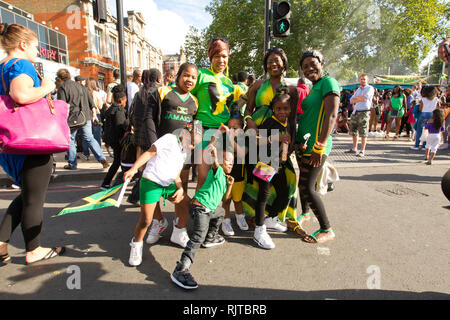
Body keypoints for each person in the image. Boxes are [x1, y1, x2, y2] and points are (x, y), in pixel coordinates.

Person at [0, 23, 65, 265]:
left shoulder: (1, 67)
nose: (37, 51)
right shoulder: (21, 64)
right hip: (32, 141)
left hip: (11, 140)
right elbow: (21, 95)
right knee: (34, 199)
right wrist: (47, 86)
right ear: (23, 44)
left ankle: (1, 242)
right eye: (36, 46)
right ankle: (34, 249)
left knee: (27, 195)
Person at [123, 123, 201, 267]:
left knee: (188, 204)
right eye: (192, 142)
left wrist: (180, 188)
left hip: (169, 184)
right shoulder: (169, 138)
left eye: (195, 145)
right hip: (151, 182)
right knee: (145, 220)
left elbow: (176, 173)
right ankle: (136, 244)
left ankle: (178, 232)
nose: (192, 147)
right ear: (184, 134)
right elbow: (149, 152)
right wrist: (133, 169)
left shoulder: (184, 152)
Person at [144, 63, 199, 248]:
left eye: (193, 77)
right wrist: (154, 146)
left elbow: (195, 126)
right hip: (159, 152)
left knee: (180, 189)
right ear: (178, 75)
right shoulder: (162, 92)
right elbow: (149, 118)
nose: (189, 79)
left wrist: (195, 143)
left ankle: (179, 229)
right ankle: (158, 222)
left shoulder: (194, 101)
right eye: (186, 75)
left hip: (181, 156)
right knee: (153, 187)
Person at [242, 47, 299, 225]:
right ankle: (253, 216)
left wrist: (292, 143)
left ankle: (273, 216)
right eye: (269, 61)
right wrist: (249, 121)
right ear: (265, 65)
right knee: (256, 178)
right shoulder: (258, 85)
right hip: (257, 138)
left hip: (279, 139)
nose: (273, 63)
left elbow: (292, 118)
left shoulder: (291, 89)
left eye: (277, 60)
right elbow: (248, 109)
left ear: (284, 64)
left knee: (284, 177)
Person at [171, 144, 234, 290]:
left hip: (209, 209)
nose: (230, 164)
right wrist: (214, 155)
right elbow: (215, 164)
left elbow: (225, 200)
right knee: (197, 237)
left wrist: (230, 185)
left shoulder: (224, 179)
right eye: (227, 161)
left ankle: (210, 237)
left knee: (221, 213)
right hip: (200, 207)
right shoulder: (217, 172)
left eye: (232, 162)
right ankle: (181, 268)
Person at [296, 50, 340, 243]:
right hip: (304, 145)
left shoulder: (329, 83)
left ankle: (326, 228)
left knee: (307, 187)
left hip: (316, 147)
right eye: (305, 66)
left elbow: (331, 115)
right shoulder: (314, 87)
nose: (309, 68)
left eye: (313, 64)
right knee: (302, 184)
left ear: (322, 63)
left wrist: (319, 146)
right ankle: (305, 213)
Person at [190, 37, 246, 191]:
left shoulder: (228, 82)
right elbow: (188, 101)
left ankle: (216, 213)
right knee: (203, 178)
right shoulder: (200, 75)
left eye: (224, 56)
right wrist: (194, 131)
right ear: (210, 57)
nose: (221, 60)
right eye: (217, 56)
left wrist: (247, 97)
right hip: (203, 130)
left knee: (220, 177)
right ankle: (200, 213)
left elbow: (232, 108)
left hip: (224, 132)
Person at [250, 88, 296, 249]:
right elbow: (257, 141)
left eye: (285, 108)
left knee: (284, 193)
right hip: (265, 163)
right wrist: (273, 138)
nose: (282, 111)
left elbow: (289, 142)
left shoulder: (289, 124)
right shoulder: (270, 122)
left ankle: (271, 219)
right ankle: (259, 230)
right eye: (278, 108)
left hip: (280, 165)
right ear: (273, 109)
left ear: (290, 109)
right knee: (263, 196)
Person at [57, 68, 110, 170]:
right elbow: (91, 103)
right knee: (89, 138)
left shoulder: (63, 88)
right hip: (86, 116)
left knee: (71, 140)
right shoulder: (81, 86)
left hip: (72, 118)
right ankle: (102, 158)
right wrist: (94, 114)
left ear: (60, 78)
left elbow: (62, 106)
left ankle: (72, 164)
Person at [127, 68, 163, 205]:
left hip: (139, 135)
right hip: (153, 135)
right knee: (150, 168)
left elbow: (131, 114)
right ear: (159, 79)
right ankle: (136, 195)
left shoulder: (139, 92)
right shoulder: (159, 92)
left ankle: (136, 195)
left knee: (146, 166)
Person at [221, 108, 249, 236]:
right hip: (225, 176)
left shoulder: (244, 139)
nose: (232, 130)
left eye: (235, 127)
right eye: (230, 127)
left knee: (238, 199)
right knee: (226, 200)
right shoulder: (224, 139)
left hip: (239, 176)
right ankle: (225, 219)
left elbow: (243, 152)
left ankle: (239, 216)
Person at [101, 85, 129, 189]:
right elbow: (120, 127)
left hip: (112, 140)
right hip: (118, 141)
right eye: (125, 101)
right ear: (121, 100)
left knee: (118, 162)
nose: (125, 103)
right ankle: (107, 182)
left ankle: (110, 182)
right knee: (119, 162)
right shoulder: (119, 111)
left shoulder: (111, 109)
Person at [346, 74, 374, 157]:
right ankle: (354, 148)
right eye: (361, 79)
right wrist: (358, 98)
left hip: (364, 112)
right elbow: (351, 101)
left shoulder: (370, 88)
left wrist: (357, 98)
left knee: (363, 132)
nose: (362, 81)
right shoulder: (358, 89)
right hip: (356, 112)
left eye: (364, 79)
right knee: (353, 131)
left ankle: (362, 150)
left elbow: (364, 98)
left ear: (367, 80)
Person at [411, 86, 440, 150]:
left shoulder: (423, 99)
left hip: (423, 115)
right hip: (432, 115)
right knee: (428, 131)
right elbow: (437, 108)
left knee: (419, 130)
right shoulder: (436, 99)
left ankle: (417, 145)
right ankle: (425, 146)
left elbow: (420, 109)